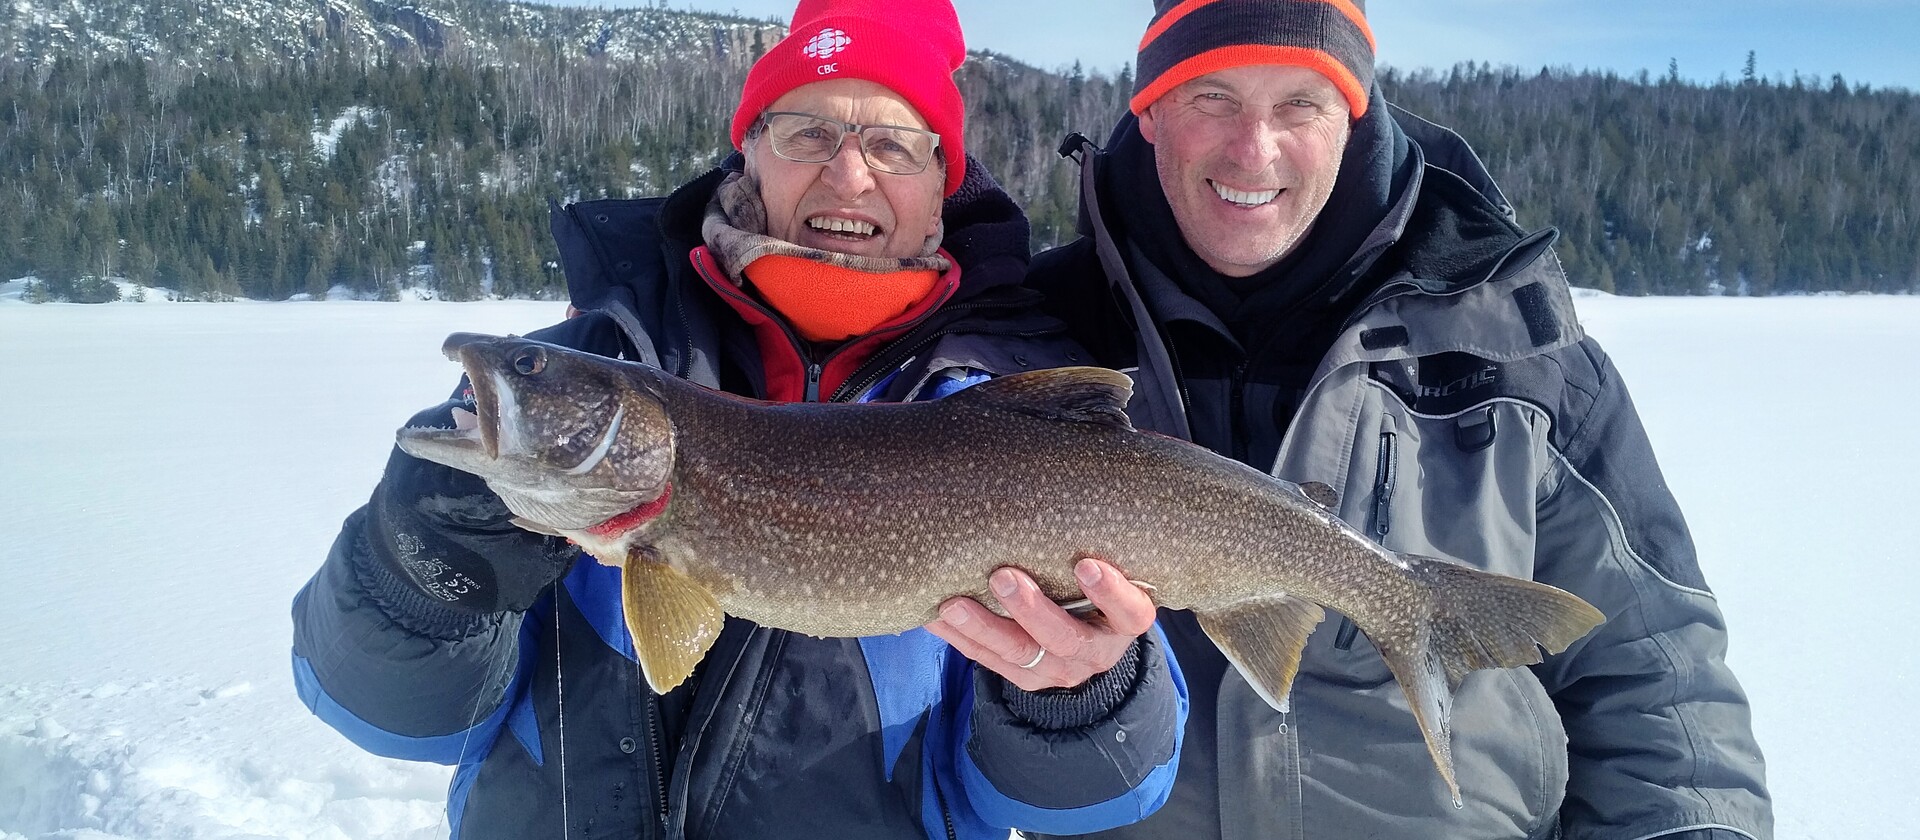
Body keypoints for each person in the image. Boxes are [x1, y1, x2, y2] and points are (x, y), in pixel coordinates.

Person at [290, 2, 1185, 837]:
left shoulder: (1021, 415)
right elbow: (389, 719)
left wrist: (1081, 695)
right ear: (748, 154)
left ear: (944, 181)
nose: (848, 173)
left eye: (893, 144)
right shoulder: (599, 354)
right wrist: (422, 571)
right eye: (808, 133)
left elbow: (1092, 797)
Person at [1026, 2, 1772, 838]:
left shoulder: (1515, 347)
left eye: (1298, 104)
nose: (1253, 149)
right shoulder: (1033, 341)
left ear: (1351, 113)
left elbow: (1659, 685)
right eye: (1212, 97)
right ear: (1151, 109)